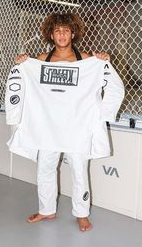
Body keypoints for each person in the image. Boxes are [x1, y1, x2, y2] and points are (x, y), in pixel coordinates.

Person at [9, 12, 122, 232]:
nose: (62, 34)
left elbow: (110, 82)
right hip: (49, 128)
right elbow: (23, 79)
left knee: (79, 171)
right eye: (57, 30)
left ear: (73, 33)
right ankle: (46, 209)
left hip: (77, 128)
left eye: (66, 30)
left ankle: (82, 213)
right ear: (51, 34)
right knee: (45, 169)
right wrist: (22, 62)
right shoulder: (42, 60)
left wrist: (104, 62)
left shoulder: (88, 60)